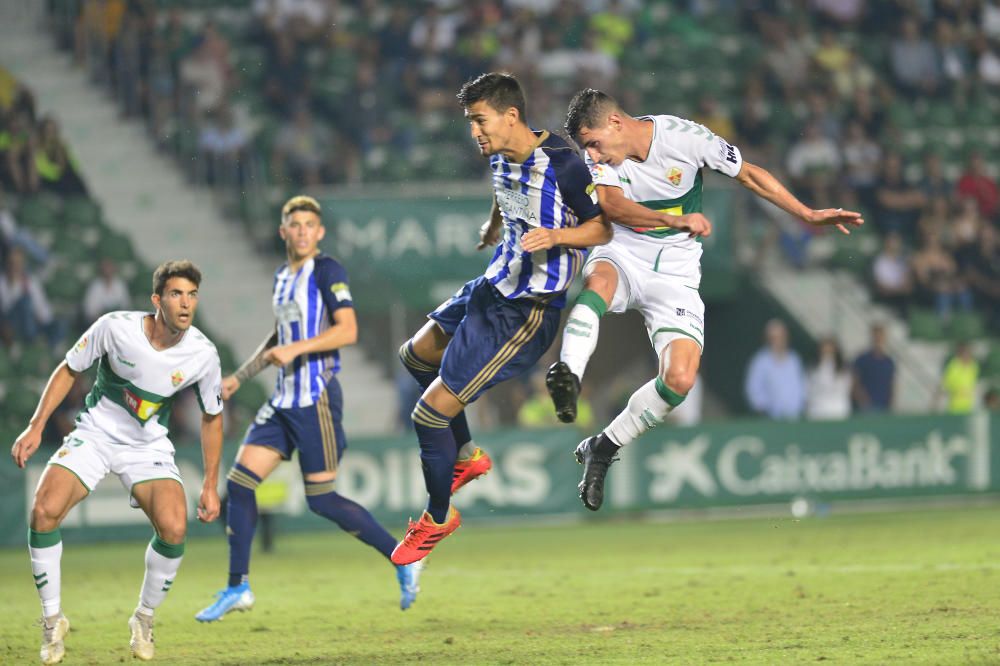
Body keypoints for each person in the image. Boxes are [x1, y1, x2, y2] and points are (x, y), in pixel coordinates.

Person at [547, 88, 862, 510]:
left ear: (616, 123)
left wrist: (806, 214)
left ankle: (603, 447)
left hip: (676, 272)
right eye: (588, 149)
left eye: (595, 144)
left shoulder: (686, 138)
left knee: (678, 380)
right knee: (598, 283)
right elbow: (614, 208)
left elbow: (749, 174)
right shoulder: (600, 160)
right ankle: (568, 373)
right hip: (623, 251)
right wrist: (670, 219)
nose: (594, 156)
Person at [390, 72, 609, 564]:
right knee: (416, 354)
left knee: (428, 414)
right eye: (470, 122)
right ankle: (466, 455)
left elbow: (603, 228)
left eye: (479, 120)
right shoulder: (502, 155)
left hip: (526, 311)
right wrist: (494, 224)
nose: (474, 132)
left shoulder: (566, 167)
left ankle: (438, 517)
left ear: (512, 116)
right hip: (494, 284)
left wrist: (556, 238)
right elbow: (508, 192)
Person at [194, 195, 421, 621]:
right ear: (283, 231)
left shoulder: (327, 270)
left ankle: (403, 557)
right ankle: (236, 587)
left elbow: (347, 330)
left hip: (315, 400)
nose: (301, 231)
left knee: (322, 500)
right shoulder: (282, 276)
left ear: (319, 233)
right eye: (294, 224)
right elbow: (279, 337)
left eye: (308, 225)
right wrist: (239, 378)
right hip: (282, 401)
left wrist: (298, 347)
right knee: (240, 484)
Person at [10, 260, 224, 664]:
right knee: (43, 511)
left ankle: (143, 619)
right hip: (95, 433)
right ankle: (52, 620)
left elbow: (212, 417)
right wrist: (36, 426)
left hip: (147, 446)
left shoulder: (203, 354)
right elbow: (69, 369)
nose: (186, 303)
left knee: (175, 529)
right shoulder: (115, 327)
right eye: (177, 294)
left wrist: (211, 483)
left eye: (192, 295)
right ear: (157, 299)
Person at [853, 323, 896, 413]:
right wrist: (863, 401)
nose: (878, 339)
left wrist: (892, 403)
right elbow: (855, 383)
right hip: (866, 408)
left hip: (884, 407)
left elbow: (892, 384)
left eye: (880, 336)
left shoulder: (889, 361)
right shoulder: (862, 359)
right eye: (876, 336)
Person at [806, 337, 852, 420]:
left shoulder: (843, 370)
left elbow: (845, 390)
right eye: (825, 349)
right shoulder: (813, 369)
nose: (827, 352)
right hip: (818, 413)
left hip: (839, 413)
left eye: (830, 349)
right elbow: (809, 391)